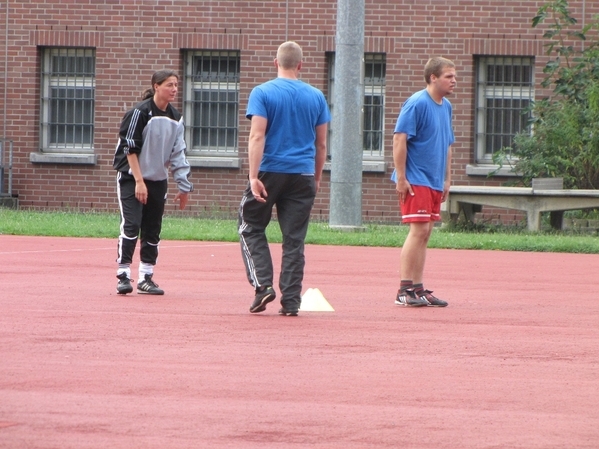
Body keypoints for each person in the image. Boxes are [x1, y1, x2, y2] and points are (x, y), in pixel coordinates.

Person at [238, 41, 331, 316]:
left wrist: (253, 176)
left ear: (275, 63)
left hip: (270, 171)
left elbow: (257, 135)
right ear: (301, 65)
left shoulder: (262, 92)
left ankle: (263, 285)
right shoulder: (316, 96)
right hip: (302, 173)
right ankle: (291, 301)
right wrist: (315, 177)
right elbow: (322, 143)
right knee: (294, 239)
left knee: (250, 225)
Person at [112, 70, 193, 296]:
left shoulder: (176, 118)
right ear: (156, 86)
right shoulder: (140, 112)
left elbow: (178, 154)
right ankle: (123, 275)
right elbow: (130, 149)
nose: (174, 89)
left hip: (157, 180)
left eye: (176, 85)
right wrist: (139, 181)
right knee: (132, 223)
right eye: (169, 85)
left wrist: (184, 186)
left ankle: (146, 277)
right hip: (132, 178)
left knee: (152, 228)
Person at [391, 56, 456, 307]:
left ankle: (417, 288)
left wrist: (447, 179)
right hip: (415, 178)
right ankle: (403, 289)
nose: (454, 81)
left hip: (433, 180)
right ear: (433, 78)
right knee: (418, 231)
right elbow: (399, 139)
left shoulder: (446, 106)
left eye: (454, 76)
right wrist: (402, 178)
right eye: (449, 76)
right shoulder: (417, 103)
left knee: (426, 232)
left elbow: (447, 145)